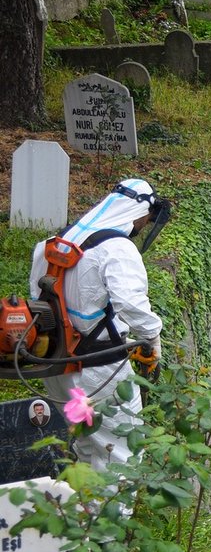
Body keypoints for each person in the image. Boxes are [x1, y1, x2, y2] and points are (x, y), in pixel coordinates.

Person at [29, 179, 164, 471]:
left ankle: (85, 513)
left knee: (86, 445)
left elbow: (35, 298)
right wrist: (153, 337)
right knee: (121, 454)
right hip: (98, 372)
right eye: (148, 218)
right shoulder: (117, 248)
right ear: (139, 212)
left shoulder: (50, 244)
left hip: (57, 371)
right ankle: (112, 515)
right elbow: (131, 304)